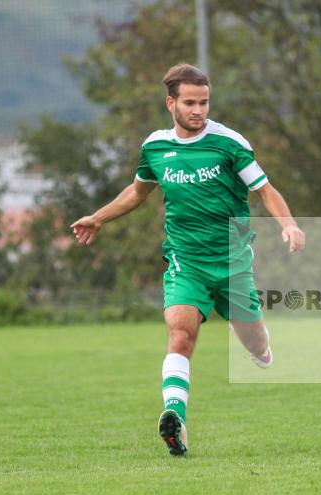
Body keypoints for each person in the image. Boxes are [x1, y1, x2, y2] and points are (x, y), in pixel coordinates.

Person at [71, 63, 305, 457]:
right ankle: (174, 418)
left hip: (232, 263)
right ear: (171, 103)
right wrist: (98, 218)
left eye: (205, 102)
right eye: (191, 103)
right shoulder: (155, 148)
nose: (199, 110)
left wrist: (289, 225)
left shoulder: (229, 144)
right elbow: (137, 192)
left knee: (258, 346)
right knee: (180, 334)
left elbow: (265, 190)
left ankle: (255, 344)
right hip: (186, 261)